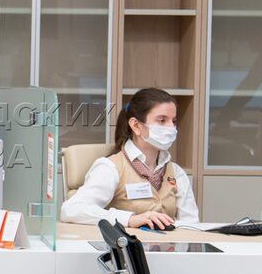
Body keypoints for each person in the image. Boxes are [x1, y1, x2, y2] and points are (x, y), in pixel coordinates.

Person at [61, 87, 199, 229]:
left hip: (169, 243)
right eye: (162, 120)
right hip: (126, 243)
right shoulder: (110, 167)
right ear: (136, 126)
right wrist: (130, 219)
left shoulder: (176, 172)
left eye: (173, 121)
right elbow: (71, 210)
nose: (171, 128)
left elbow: (192, 225)